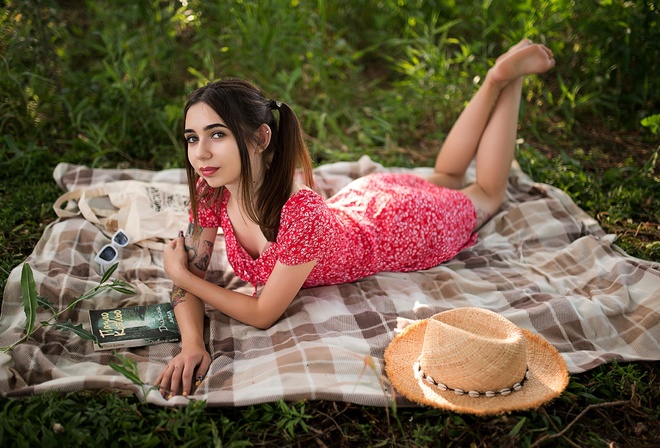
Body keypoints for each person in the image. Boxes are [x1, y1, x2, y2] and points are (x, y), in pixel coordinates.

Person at [156, 39, 555, 398]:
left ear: (261, 138)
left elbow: (261, 314)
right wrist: (193, 342)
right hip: (363, 201)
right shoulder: (212, 191)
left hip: (404, 227)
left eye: (217, 135)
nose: (201, 154)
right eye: (192, 138)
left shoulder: (301, 212)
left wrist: (185, 278)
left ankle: (505, 78)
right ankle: (493, 81)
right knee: (446, 177)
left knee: (486, 191)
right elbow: (190, 267)